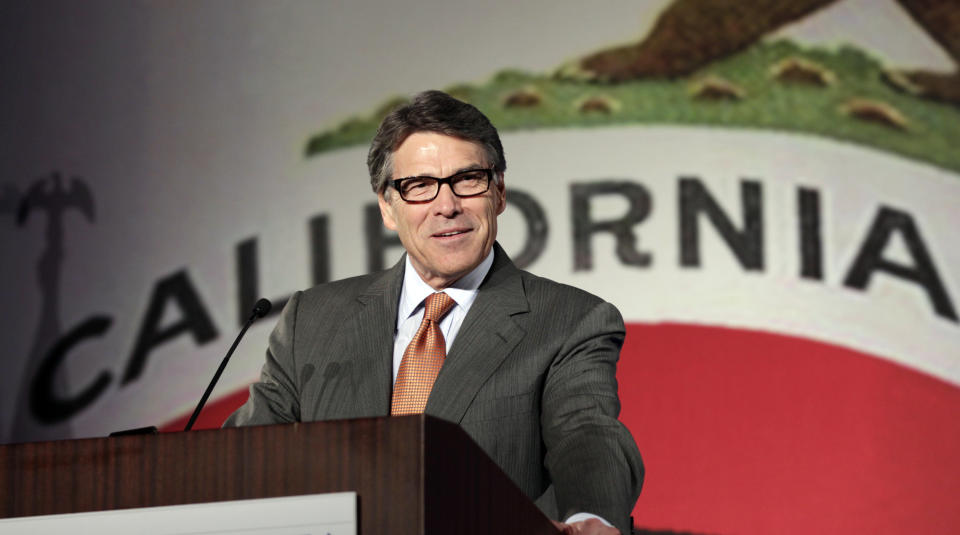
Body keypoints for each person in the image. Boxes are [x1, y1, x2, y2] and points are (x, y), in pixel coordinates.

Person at [225, 90, 643, 534]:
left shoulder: (569, 320)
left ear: (498, 192)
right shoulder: (312, 319)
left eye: (467, 179)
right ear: (388, 207)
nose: (447, 205)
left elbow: (588, 435)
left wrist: (589, 517)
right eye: (420, 186)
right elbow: (243, 458)